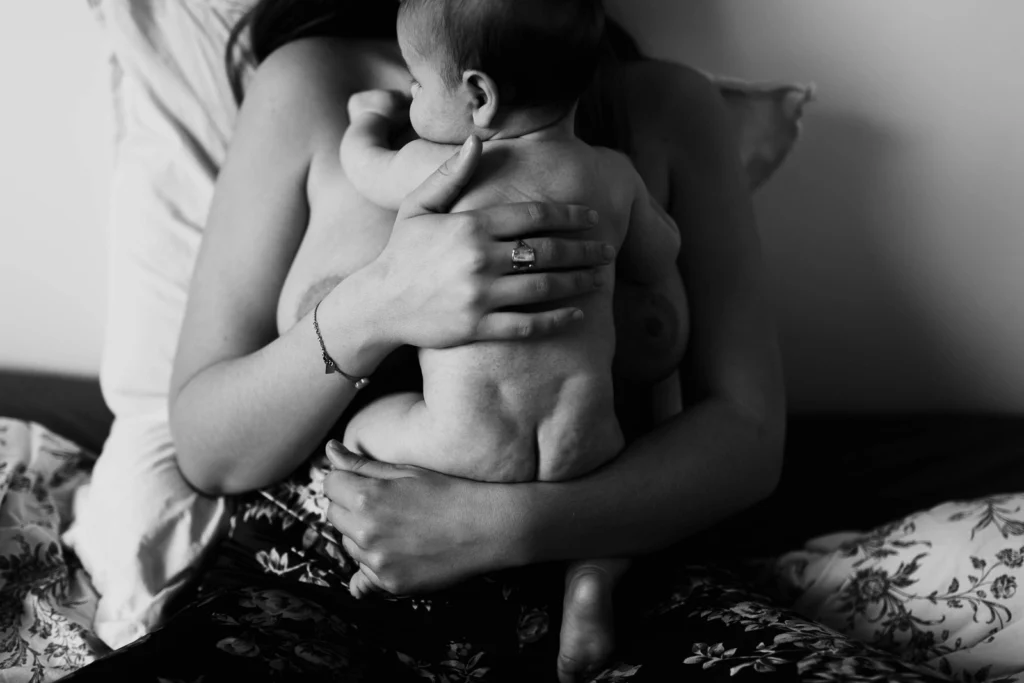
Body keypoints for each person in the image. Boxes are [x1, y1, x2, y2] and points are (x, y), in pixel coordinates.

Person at [65, 0, 785, 681]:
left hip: (626, 579)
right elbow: (207, 447)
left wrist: (501, 525)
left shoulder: (666, 108)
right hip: (331, 585)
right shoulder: (310, 83)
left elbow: (749, 438)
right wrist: (379, 306)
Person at [336, 0, 681, 672]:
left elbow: (363, 167)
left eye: (417, 82)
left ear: (477, 96)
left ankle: (382, 552)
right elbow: (660, 253)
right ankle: (589, 583)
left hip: (461, 446)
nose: (410, 93)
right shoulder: (611, 175)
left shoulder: (444, 166)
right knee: (614, 524)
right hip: (588, 447)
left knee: (358, 428)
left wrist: (366, 121)